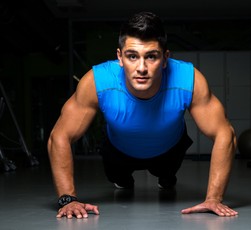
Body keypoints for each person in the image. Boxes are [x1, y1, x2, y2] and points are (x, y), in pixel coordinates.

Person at [47, 11, 238, 219]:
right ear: (120, 57)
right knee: (121, 182)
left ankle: (166, 177)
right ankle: (124, 178)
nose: (142, 68)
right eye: (132, 56)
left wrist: (214, 198)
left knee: (167, 179)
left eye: (151, 56)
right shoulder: (97, 81)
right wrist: (68, 198)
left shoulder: (188, 79)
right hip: (118, 151)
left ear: (165, 58)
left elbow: (224, 133)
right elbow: (59, 136)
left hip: (169, 151)